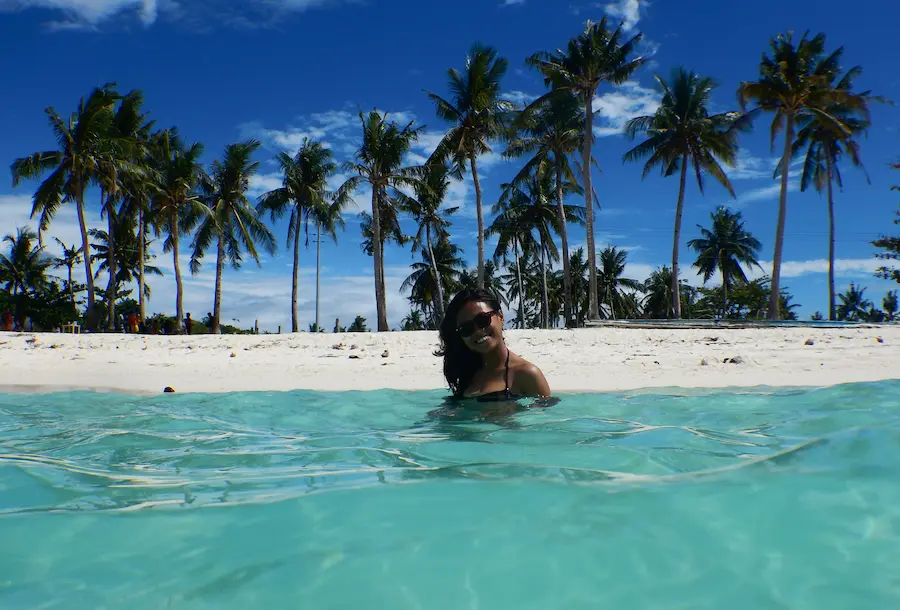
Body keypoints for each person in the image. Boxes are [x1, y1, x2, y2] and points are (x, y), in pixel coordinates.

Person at [438, 288, 551, 401]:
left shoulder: (527, 374)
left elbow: (545, 416)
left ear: (501, 317)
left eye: (483, 320)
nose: (477, 331)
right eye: (466, 328)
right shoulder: (467, 371)